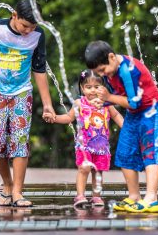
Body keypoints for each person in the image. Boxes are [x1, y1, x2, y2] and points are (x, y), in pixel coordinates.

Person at [0, 0, 55, 207]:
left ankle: (17, 191)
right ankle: (7, 184)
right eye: (25, 25)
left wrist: (47, 104)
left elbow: (39, 69)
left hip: (21, 92)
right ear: (14, 15)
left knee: (20, 140)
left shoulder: (38, 35)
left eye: (33, 27)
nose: (28, 31)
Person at [84, 40, 158, 213]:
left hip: (151, 109)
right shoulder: (109, 71)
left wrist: (108, 98)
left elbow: (134, 103)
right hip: (134, 113)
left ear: (111, 57)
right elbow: (119, 96)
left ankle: (151, 198)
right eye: (98, 72)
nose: (101, 74)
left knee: (150, 151)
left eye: (102, 70)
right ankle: (134, 196)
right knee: (124, 151)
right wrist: (104, 101)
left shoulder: (128, 70)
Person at [49, 70, 123, 209]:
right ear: (82, 88)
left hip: (101, 146)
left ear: (103, 87)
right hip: (84, 145)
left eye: (97, 87)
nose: (93, 90)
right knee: (84, 168)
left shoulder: (107, 103)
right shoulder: (79, 103)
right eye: (88, 87)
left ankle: (96, 196)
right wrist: (55, 118)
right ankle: (80, 195)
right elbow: (68, 118)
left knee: (98, 171)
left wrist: (126, 128)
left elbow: (117, 115)